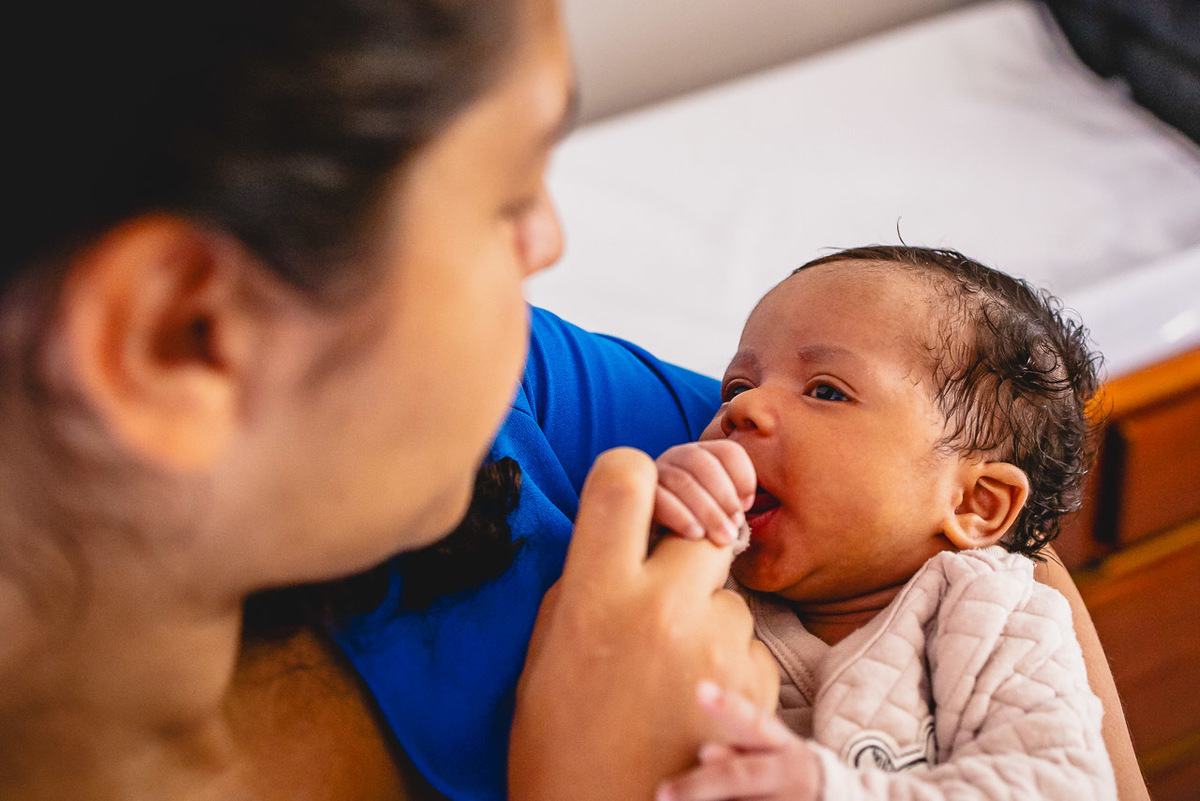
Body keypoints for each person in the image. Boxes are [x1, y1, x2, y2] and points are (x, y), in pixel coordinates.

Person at [1, 1, 776, 798]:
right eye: (510, 198)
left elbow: (889, 456)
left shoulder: (486, 413)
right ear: (185, 337)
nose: (550, 240)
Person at [650, 246, 1116, 800]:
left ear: (976, 504)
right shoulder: (711, 573)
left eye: (825, 390)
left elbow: (1059, 789)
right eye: (739, 387)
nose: (740, 412)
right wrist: (666, 518)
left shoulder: (998, 622)